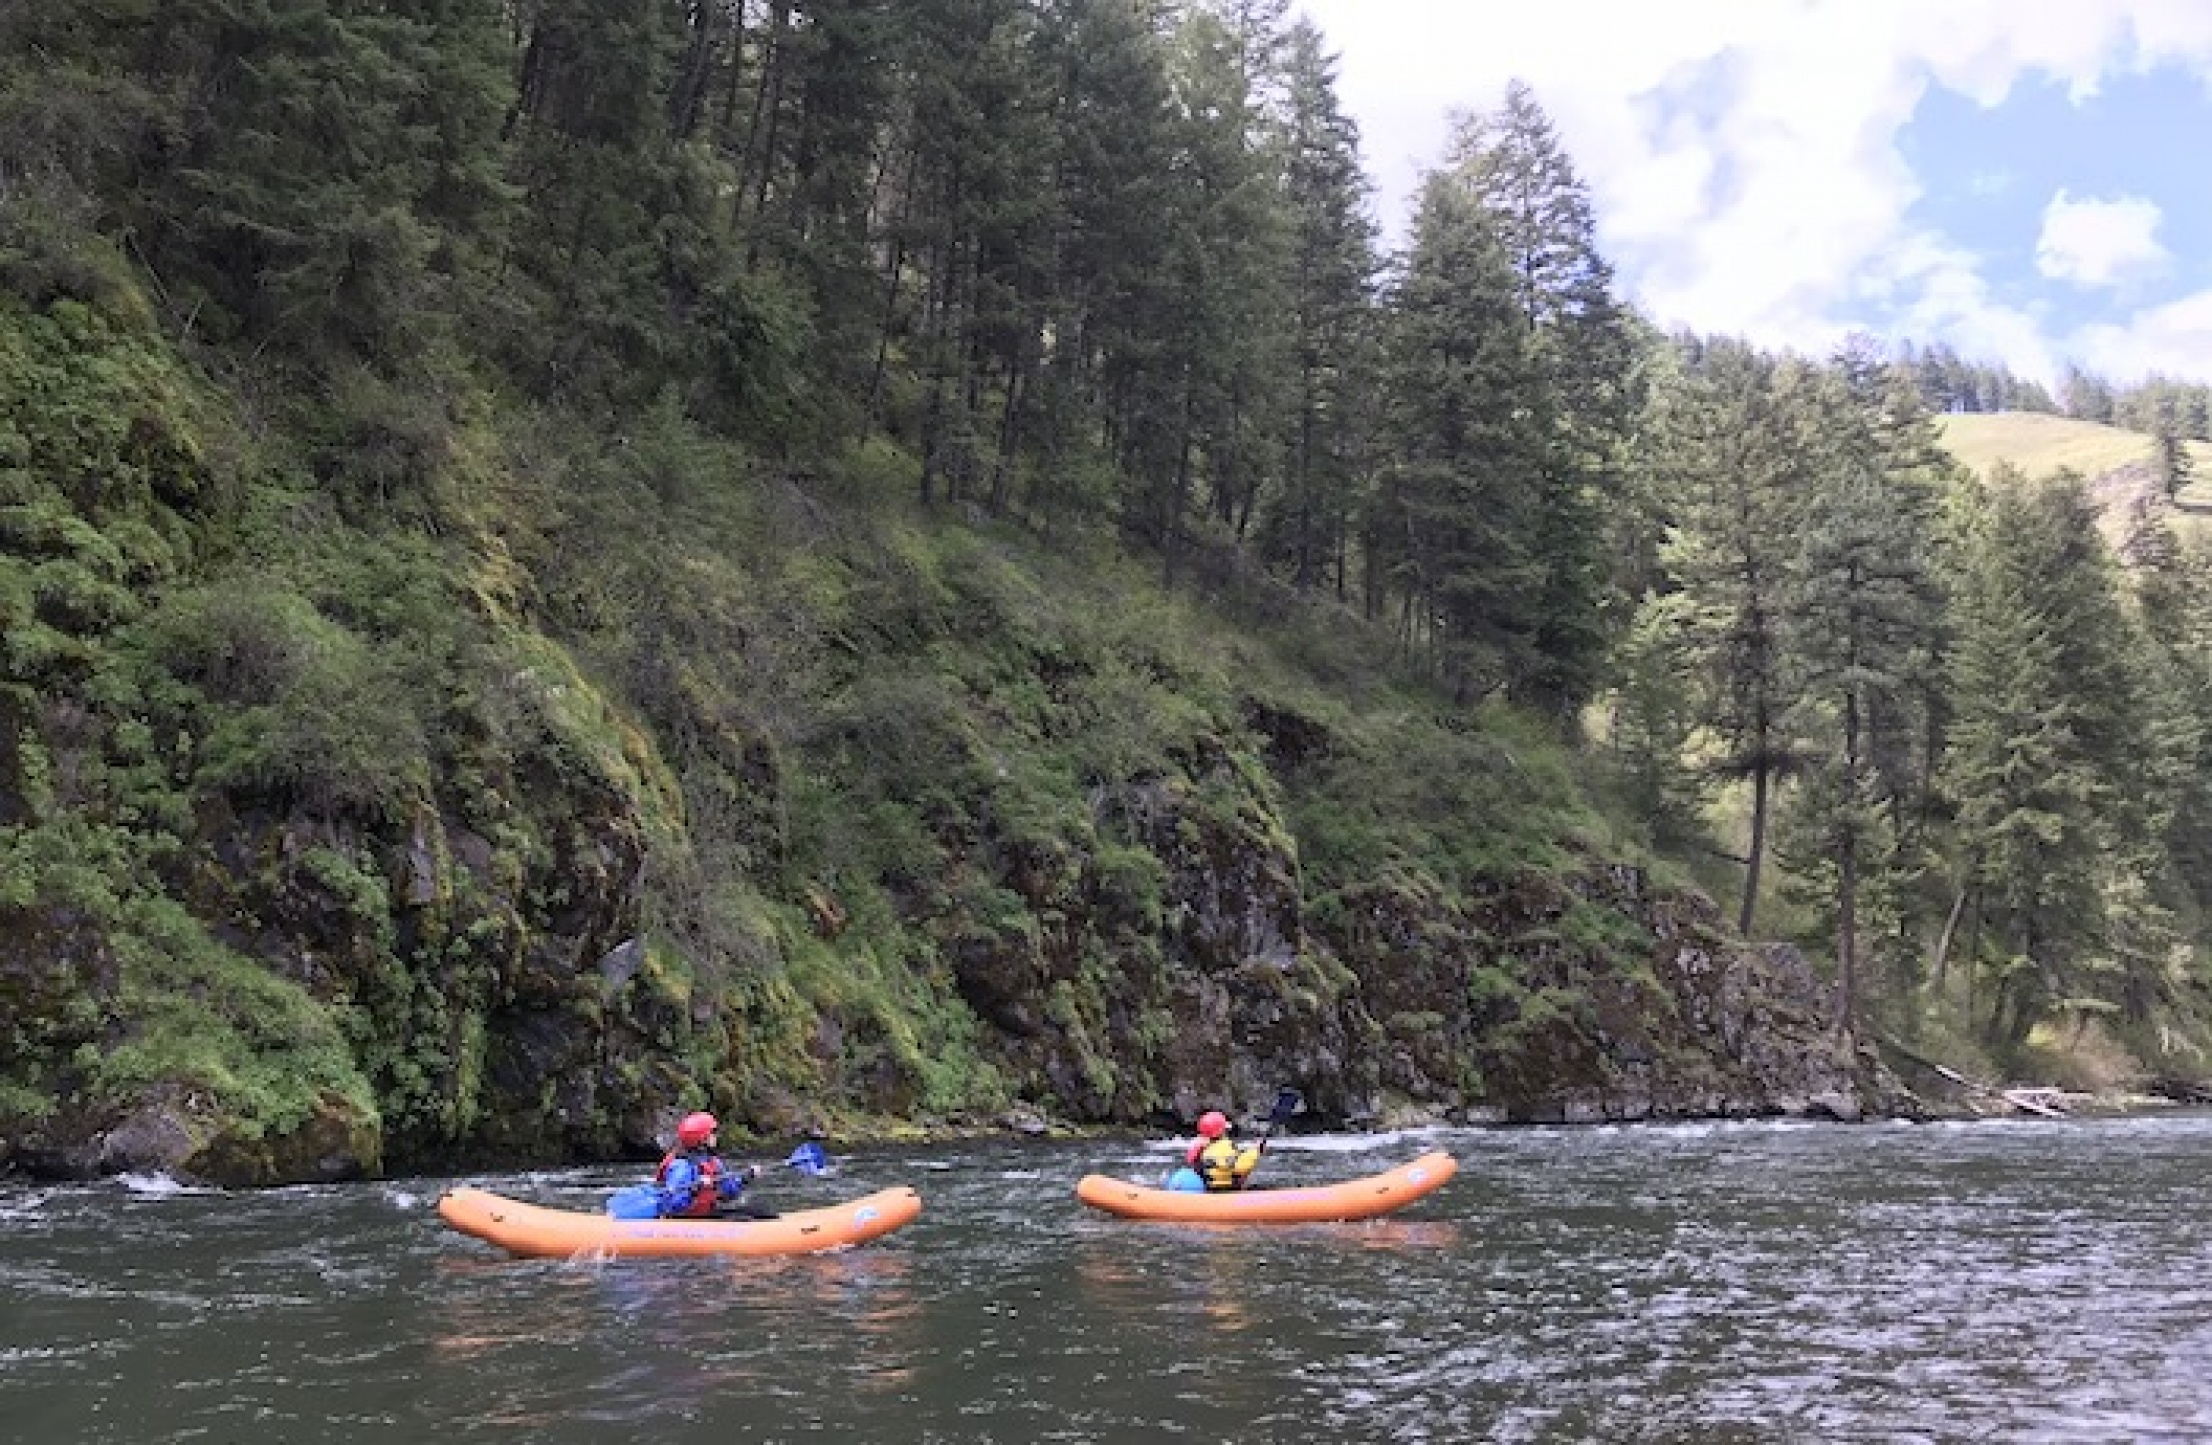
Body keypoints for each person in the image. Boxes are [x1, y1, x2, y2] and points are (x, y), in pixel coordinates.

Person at [652, 1111, 763, 1218]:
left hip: (705, 1215)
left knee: (757, 1211)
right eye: (712, 1132)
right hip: (684, 1220)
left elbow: (728, 1194)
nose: (715, 1136)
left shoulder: (713, 1162)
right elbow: (672, 1205)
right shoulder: (681, 1166)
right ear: (701, 1138)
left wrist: (745, 1178)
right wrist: (694, 1189)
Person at [1185, 1109, 1262, 1192]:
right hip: (1226, 1189)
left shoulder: (1198, 1146)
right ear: (1221, 1132)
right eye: (1225, 1130)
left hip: (1207, 1187)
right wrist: (1257, 1151)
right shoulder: (1224, 1146)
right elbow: (1240, 1167)